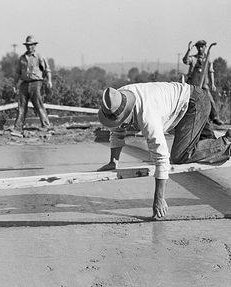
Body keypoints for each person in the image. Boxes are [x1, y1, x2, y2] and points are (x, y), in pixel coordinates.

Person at [97, 82, 231, 218]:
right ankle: (219, 146)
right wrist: (113, 162)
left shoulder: (147, 116)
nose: (122, 125)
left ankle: (228, 141)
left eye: (123, 121)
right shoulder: (116, 99)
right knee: (208, 148)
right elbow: (117, 131)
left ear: (130, 110)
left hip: (194, 103)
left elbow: (161, 158)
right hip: (185, 103)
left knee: (181, 155)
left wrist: (159, 199)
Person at [11, 35, 53, 132]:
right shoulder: (22, 58)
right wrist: (14, 84)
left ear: (34, 45)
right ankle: (18, 127)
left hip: (36, 83)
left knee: (38, 104)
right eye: (28, 45)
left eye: (31, 45)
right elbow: (18, 72)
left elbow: (47, 70)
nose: (29, 47)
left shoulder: (39, 57)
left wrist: (49, 80)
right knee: (21, 106)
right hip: (24, 84)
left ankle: (46, 125)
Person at [182, 39, 224, 125]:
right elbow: (185, 61)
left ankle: (214, 117)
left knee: (210, 100)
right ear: (197, 48)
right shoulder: (193, 58)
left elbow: (211, 72)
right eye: (199, 47)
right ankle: (184, 118)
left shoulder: (208, 60)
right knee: (188, 101)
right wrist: (188, 50)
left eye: (202, 47)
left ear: (205, 47)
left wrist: (212, 84)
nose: (200, 49)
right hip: (193, 84)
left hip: (204, 84)